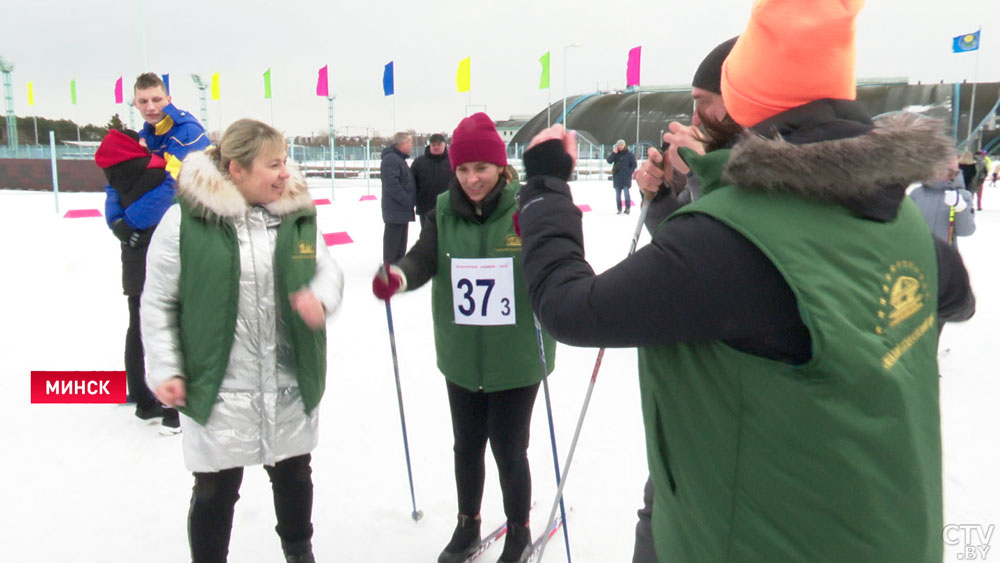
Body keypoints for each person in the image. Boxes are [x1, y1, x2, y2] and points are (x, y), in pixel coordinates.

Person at [515, 0, 976, 560]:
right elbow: (952, 293)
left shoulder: (729, 241)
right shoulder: (895, 217)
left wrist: (544, 191)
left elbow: (571, 309)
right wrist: (702, 190)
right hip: (884, 530)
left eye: (709, 101)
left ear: (744, 101)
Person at [141, 119, 344, 563]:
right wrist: (165, 369)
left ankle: (299, 553)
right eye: (273, 164)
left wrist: (320, 298)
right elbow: (158, 302)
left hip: (287, 377)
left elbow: (327, 270)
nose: (284, 173)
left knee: (294, 474)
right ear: (236, 169)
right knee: (215, 487)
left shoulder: (295, 216)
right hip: (219, 385)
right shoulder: (185, 223)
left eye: (285, 162)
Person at [372, 112, 554, 563]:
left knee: (509, 448)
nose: (472, 179)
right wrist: (399, 275)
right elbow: (422, 257)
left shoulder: (526, 208)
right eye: (464, 169)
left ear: (501, 168)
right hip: (461, 354)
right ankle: (466, 524)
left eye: (482, 169)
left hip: (515, 357)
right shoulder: (442, 212)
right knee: (466, 445)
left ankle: (519, 530)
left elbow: (558, 258)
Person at [629, 35, 738, 563]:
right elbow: (686, 252)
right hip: (687, 413)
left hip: (735, 423)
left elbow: (730, 247)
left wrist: (698, 174)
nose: (694, 113)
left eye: (704, 100)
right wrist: (666, 194)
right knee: (658, 514)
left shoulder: (768, 175)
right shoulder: (715, 168)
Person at [97, 128, 180, 429]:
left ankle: (143, 399)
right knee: (168, 328)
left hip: (132, 260)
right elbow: (163, 198)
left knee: (137, 328)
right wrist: (130, 222)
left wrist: (120, 223)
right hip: (158, 259)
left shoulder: (114, 178)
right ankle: (172, 407)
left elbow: (113, 201)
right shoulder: (155, 172)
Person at [132, 72, 210, 181]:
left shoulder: (187, 132)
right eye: (143, 101)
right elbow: (119, 179)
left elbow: (171, 186)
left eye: (156, 100)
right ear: (136, 104)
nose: (150, 107)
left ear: (168, 101)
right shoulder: (142, 137)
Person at [909, 153, 976, 248]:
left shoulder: (962, 195)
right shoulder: (917, 193)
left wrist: (961, 209)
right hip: (915, 254)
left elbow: (966, 231)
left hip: (943, 256)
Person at [381, 132, 417, 263]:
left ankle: (398, 266)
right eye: (409, 143)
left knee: (400, 245)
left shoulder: (399, 159)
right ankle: (390, 268)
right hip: (395, 210)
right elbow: (392, 184)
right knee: (393, 245)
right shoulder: (391, 159)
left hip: (401, 210)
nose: (411, 146)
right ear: (402, 144)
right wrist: (407, 201)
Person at [412, 133, 456, 229]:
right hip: (426, 208)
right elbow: (411, 184)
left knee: (447, 237)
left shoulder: (453, 161)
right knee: (427, 238)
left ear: (444, 145)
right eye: (433, 145)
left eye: (439, 144)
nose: (436, 147)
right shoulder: (419, 162)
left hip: (448, 208)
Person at [606, 139, 637, 214]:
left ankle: (627, 208)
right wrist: (614, 153)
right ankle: (619, 209)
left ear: (624, 145)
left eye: (621, 145)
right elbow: (609, 161)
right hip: (617, 177)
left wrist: (629, 172)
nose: (619, 146)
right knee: (618, 196)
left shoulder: (629, 154)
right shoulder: (616, 154)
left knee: (626, 194)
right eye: (618, 145)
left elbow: (634, 165)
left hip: (626, 178)